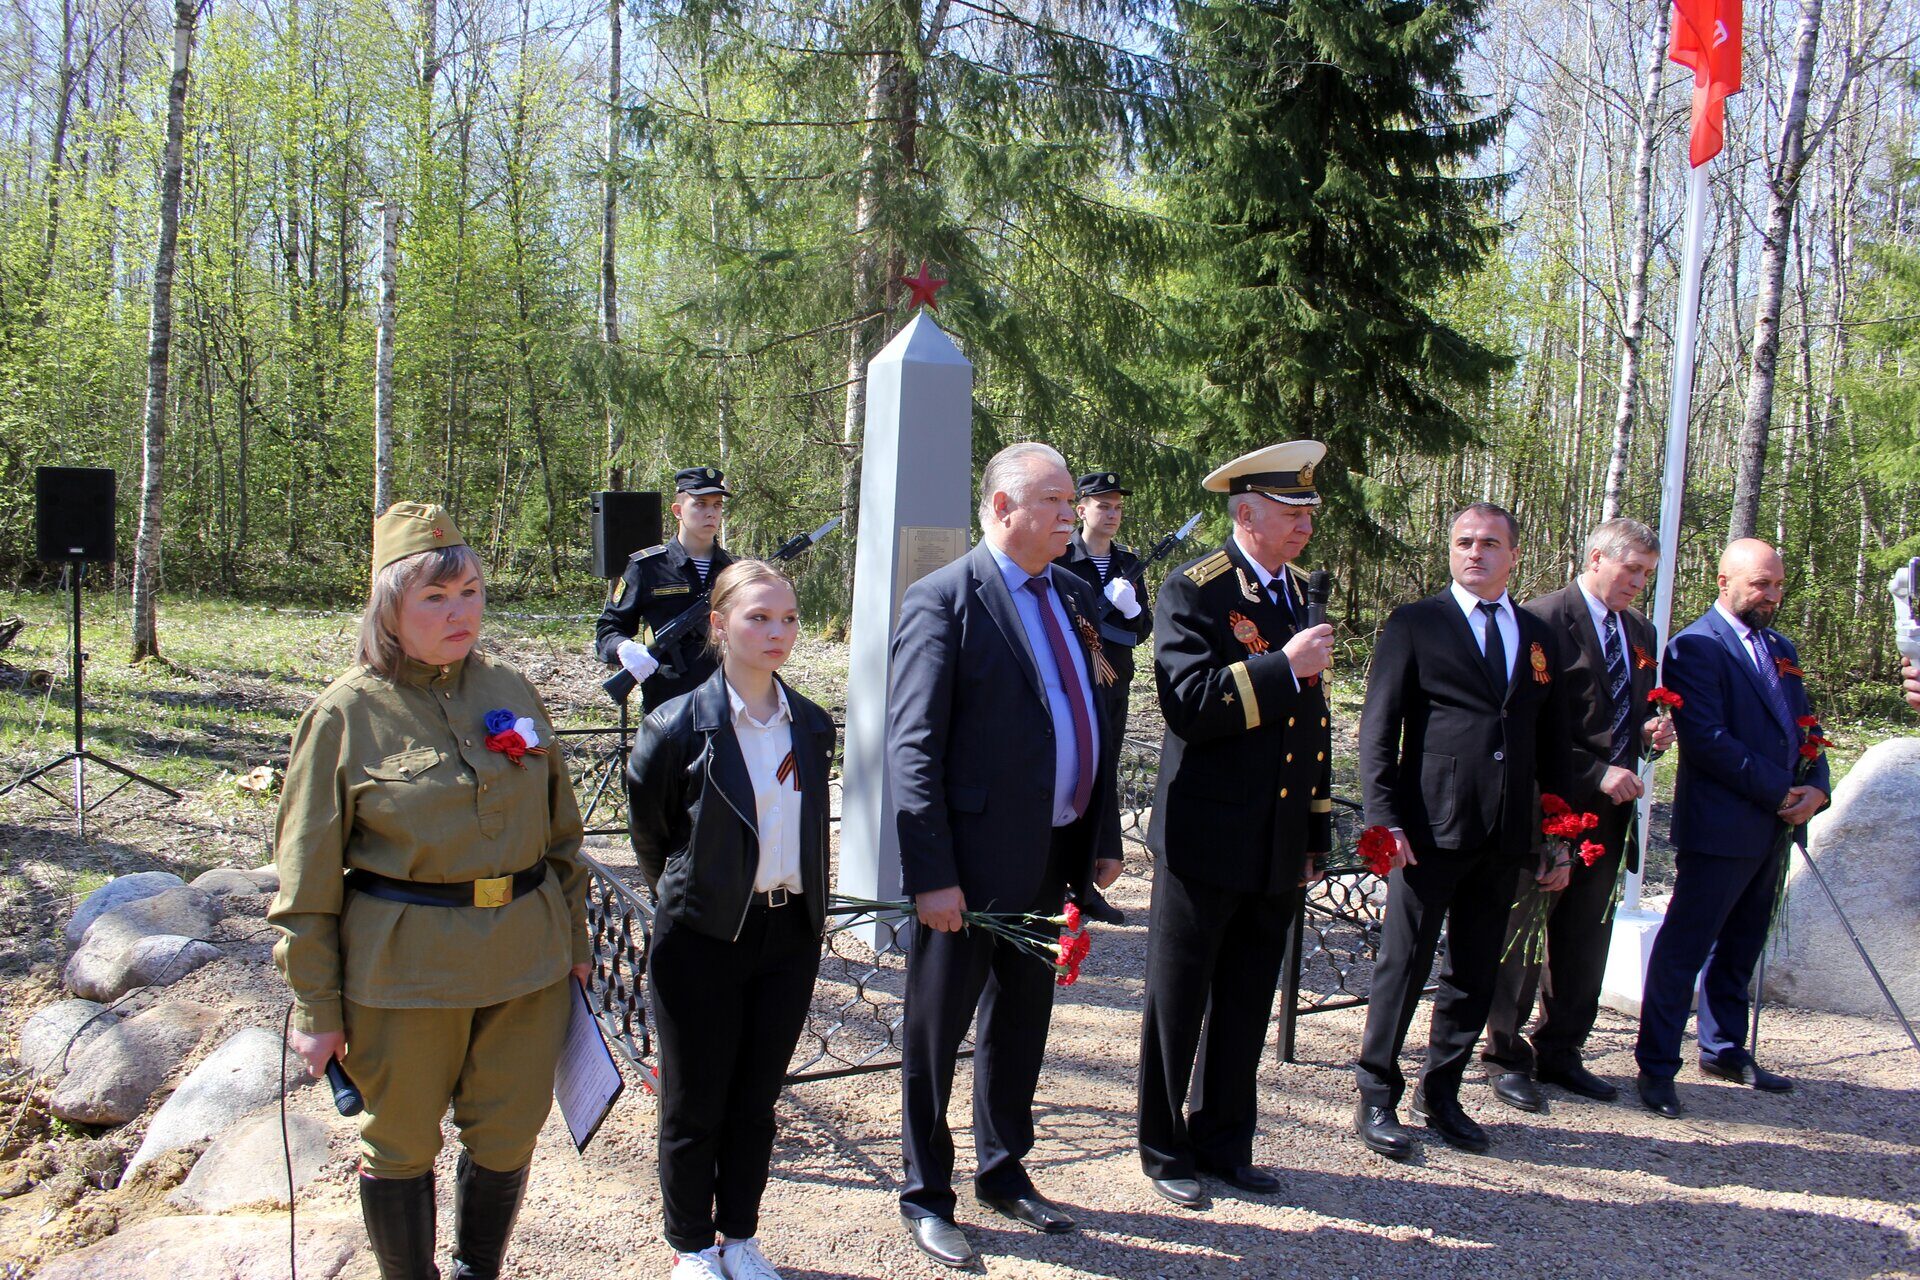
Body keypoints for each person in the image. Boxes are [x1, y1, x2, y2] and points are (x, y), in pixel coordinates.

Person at [271, 502, 590, 1280]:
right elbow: (305, 881)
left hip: (526, 962)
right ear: (390, 608)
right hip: (407, 973)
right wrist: (316, 1007)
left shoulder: (510, 686)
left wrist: (574, 945)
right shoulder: (345, 715)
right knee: (402, 1143)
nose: (461, 614)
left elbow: (563, 838)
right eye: (437, 599)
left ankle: (477, 1270)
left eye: (473, 593)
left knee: (510, 1134)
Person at [889, 442, 1125, 1269]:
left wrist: (1100, 836)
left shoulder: (1071, 591)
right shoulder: (945, 599)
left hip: (1050, 855)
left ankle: (1004, 1168)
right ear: (1001, 508)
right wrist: (932, 875)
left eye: (1071, 501)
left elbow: (1093, 712)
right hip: (968, 865)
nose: (1073, 512)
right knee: (936, 1028)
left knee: (1022, 1021)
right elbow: (911, 748)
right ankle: (925, 1192)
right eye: (1055, 500)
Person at [1135, 441, 1335, 1210]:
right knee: (1179, 1001)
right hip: (1206, 834)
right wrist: (1284, 665)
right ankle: (1162, 1147)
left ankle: (1224, 1139)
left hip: (1277, 837)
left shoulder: (1298, 594)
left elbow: (1310, 732)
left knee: (1248, 997)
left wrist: (1314, 833)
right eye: (1290, 515)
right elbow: (1188, 702)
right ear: (1246, 514)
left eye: (1308, 516)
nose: (1303, 529)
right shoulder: (1195, 589)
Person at [626, 560, 836, 1280]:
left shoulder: (809, 722)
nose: (778, 632)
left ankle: (740, 1236)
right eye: (758, 618)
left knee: (756, 1098)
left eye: (788, 618)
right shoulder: (678, 724)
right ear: (719, 627)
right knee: (695, 1099)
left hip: (786, 937)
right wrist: (695, 898)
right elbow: (653, 835)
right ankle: (690, 1244)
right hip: (702, 940)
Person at [1353, 502, 1571, 1159]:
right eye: (1463, 542)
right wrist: (1384, 820)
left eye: (1489, 543)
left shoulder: (1536, 634)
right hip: (1429, 829)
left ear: (1514, 556)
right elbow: (1378, 731)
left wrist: (1554, 832)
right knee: (1405, 963)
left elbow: (1551, 742)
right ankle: (1376, 1093)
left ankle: (1441, 1092)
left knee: (1475, 970)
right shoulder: (1417, 624)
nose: (1474, 553)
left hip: (1504, 834)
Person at [1481, 519, 1676, 1111]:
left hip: (1610, 816)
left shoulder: (1639, 630)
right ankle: (1504, 1054)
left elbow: (1619, 709)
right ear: (1596, 557)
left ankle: (1562, 1049)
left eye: (1648, 572)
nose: (1640, 582)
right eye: (1632, 569)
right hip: (1548, 804)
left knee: (1586, 936)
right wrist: (1594, 773)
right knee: (1522, 934)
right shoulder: (1538, 619)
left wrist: (1650, 733)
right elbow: (1522, 727)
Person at [1634, 538, 1829, 1117]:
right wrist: (1779, 790)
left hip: (1775, 827)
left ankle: (1722, 1047)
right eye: (1759, 584)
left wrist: (1817, 787)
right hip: (1722, 826)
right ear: (1724, 582)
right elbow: (1708, 741)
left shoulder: (1780, 646)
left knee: (1743, 943)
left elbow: (1804, 723)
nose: (1770, 595)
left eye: (1777, 585)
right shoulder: (1695, 646)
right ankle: (1658, 1066)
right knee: (1685, 947)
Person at [1053, 471, 1152, 925]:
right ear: (1082, 510)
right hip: (1071, 684)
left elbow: (1141, 628)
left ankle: (1088, 883)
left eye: (1117, 508)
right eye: (1103, 506)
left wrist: (1131, 608)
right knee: (1072, 773)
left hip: (1113, 685)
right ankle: (1056, 879)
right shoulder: (1060, 560)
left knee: (1104, 773)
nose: (1111, 515)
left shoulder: (1127, 564)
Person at [595, 466, 736, 711]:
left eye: (717, 505)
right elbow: (609, 628)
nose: (711, 513)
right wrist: (624, 648)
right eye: (700, 504)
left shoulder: (733, 570)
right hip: (666, 701)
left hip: (725, 696)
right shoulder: (648, 567)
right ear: (678, 511)